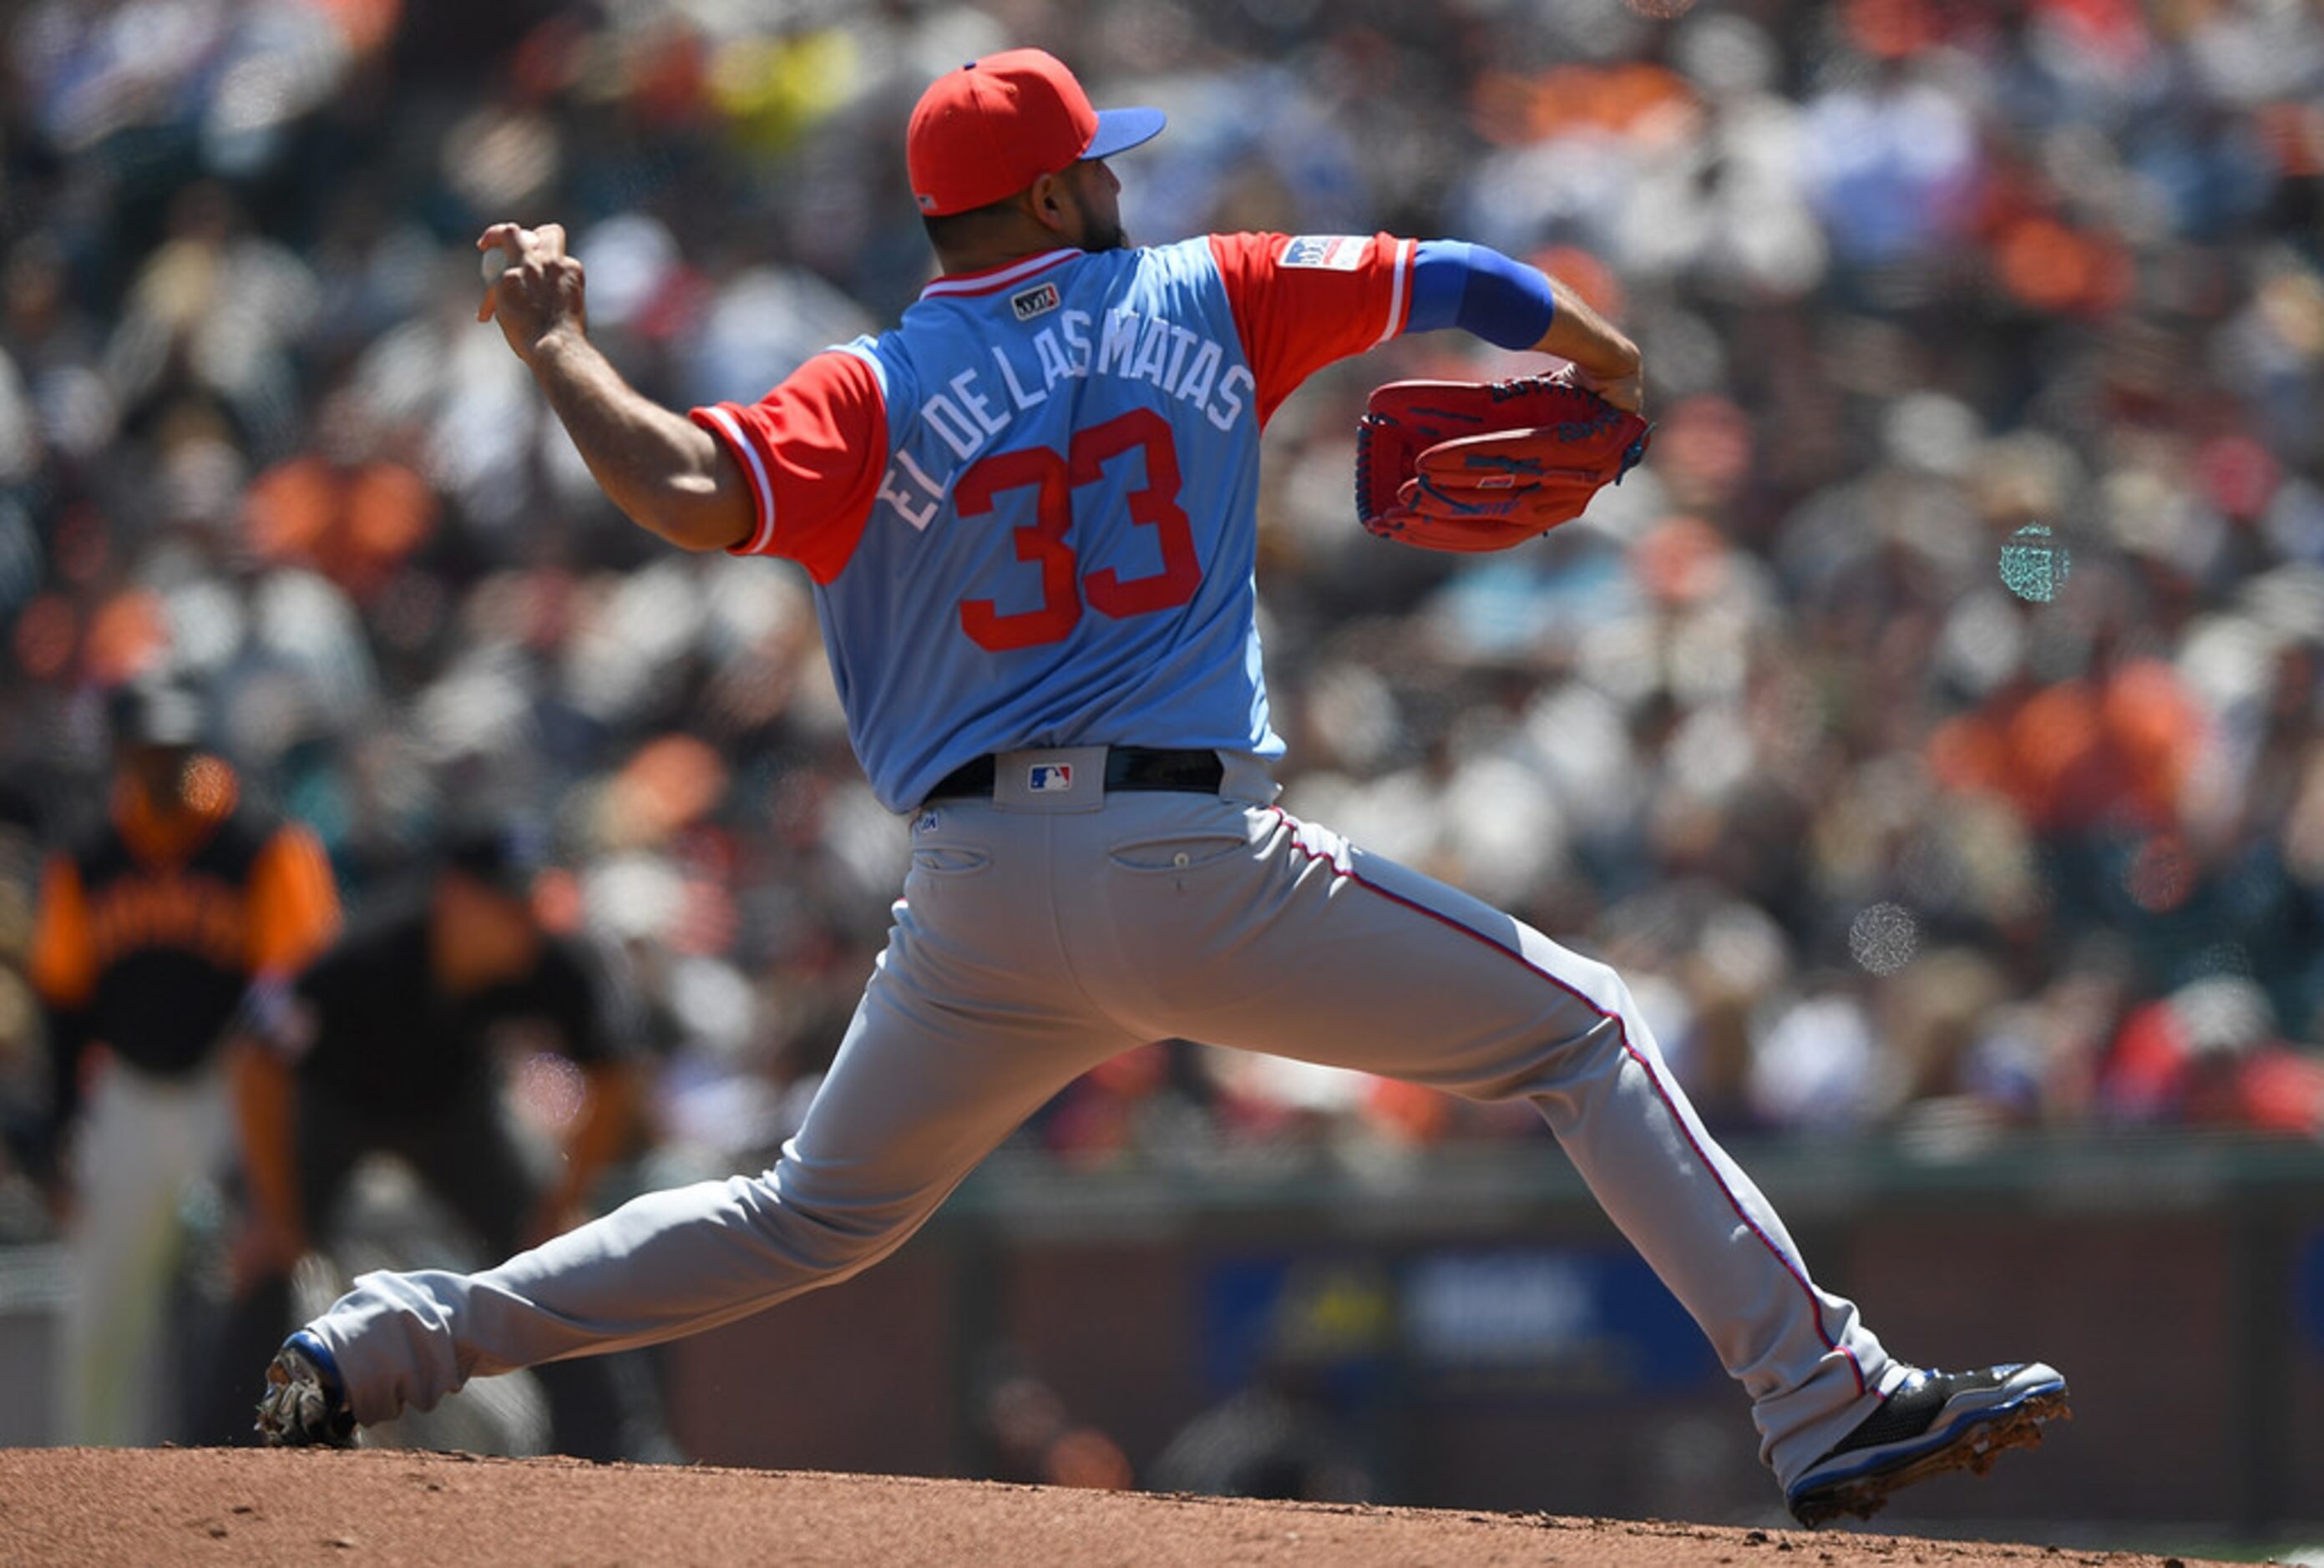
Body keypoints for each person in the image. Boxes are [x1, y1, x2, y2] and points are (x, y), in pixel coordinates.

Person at [256, 49, 2068, 1525]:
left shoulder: (870, 385)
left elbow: (674, 486)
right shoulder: (1206, 291)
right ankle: (1821, 1399)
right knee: (1577, 1030)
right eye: (1094, 166)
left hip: (972, 893)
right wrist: (1589, 352)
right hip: (1192, 857)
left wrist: (560, 347)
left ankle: (401, 1339)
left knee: (805, 1216)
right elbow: (1458, 279)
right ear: (1049, 194)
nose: (1119, 184)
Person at [202, 822, 650, 1457]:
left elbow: (617, 1071)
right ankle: (225, 1443)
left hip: (451, 1112)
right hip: (335, 1106)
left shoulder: (549, 956)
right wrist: (273, 1210)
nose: (522, 918)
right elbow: (254, 1060)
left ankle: (611, 1441)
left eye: (530, 901)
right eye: (503, 902)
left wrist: (565, 1200)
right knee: (269, 1252)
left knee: (546, 1252)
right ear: (453, 896)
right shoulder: (367, 951)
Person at [29, 675, 340, 1444]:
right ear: (120, 756)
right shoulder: (90, 856)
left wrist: (294, 1128)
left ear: (199, 752)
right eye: (144, 752)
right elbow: (65, 1002)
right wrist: (63, 1126)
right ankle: (94, 1485)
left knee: (282, 1280)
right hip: (132, 1096)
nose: (159, 767)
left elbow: (305, 988)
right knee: (104, 1306)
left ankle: (310, 1452)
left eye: (174, 751)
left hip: (236, 1091)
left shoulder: (260, 843)